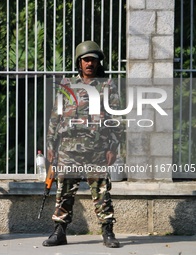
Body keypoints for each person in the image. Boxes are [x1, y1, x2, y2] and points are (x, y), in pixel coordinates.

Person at [43, 41, 124, 248]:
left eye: (93, 60)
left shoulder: (107, 86)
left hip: (96, 149)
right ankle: (59, 232)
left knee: (102, 191)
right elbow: (55, 117)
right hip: (68, 149)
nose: (90, 63)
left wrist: (113, 147)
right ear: (79, 62)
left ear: (98, 63)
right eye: (86, 59)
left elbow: (116, 119)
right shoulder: (67, 85)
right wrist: (51, 145)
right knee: (64, 192)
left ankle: (107, 232)